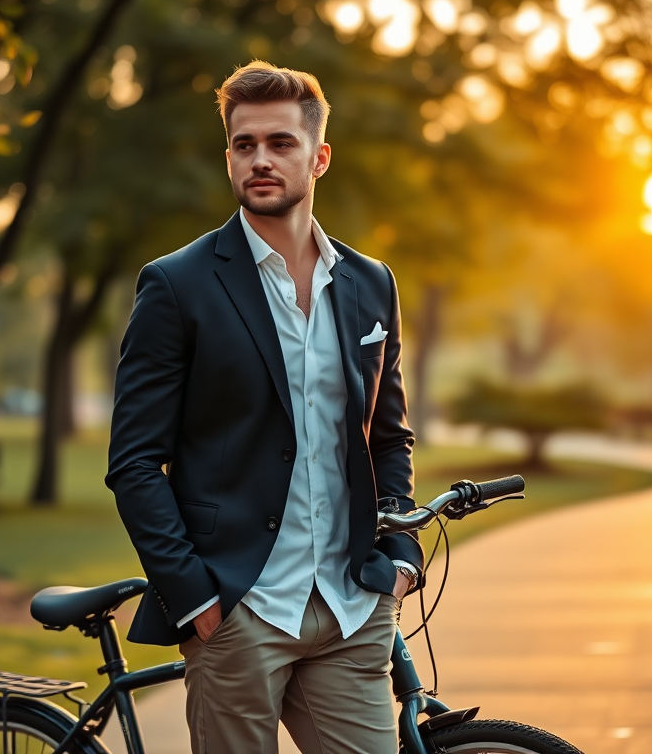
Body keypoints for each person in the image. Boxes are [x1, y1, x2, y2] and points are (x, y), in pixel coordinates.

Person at [106, 61, 424, 754]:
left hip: (350, 608)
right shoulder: (177, 285)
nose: (261, 160)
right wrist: (195, 597)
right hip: (238, 607)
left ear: (320, 155)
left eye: (280, 143)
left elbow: (388, 435)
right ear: (228, 156)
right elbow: (133, 461)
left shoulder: (371, 283)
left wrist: (397, 554)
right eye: (244, 145)